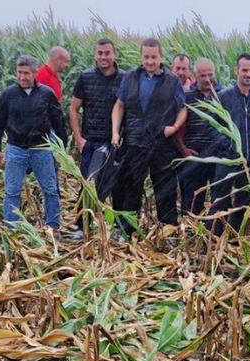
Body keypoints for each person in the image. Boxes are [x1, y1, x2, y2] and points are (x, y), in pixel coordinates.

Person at [110, 38, 188, 235]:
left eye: (154, 57)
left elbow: (182, 109)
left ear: (161, 57)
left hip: (162, 143)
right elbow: (119, 106)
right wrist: (115, 132)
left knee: (165, 189)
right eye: (146, 57)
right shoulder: (130, 78)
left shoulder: (171, 81)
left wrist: (174, 127)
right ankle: (126, 230)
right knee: (131, 186)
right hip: (135, 141)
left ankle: (168, 231)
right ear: (141, 57)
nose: (150, 61)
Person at [0, 54, 68, 228]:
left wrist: (63, 148)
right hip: (16, 149)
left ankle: (53, 228)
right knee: (12, 191)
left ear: (34, 73)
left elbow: (58, 121)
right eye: (19, 72)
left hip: (42, 150)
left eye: (26, 73)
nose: (22, 77)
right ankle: (12, 228)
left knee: (51, 190)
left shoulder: (47, 94)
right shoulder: (9, 94)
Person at [209, 53, 250, 236]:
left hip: (248, 162)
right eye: (244, 70)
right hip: (226, 160)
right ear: (237, 71)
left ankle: (235, 240)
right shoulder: (223, 97)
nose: (248, 74)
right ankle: (213, 240)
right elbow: (212, 126)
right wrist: (230, 147)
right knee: (220, 201)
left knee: (244, 202)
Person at [175, 57, 221, 215]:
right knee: (192, 198)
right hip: (195, 155)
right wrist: (183, 150)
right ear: (195, 75)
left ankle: (214, 233)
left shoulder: (222, 95)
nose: (207, 79)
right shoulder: (186, 96)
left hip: (218, 156)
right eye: (203, 76)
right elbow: (178, 126)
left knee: (219, 198)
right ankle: (190, 231)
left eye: (210, 75)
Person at [70, 38, 122, 178]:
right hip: (92, 142)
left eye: (107, 53)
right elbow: (74, 108)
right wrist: (79, 139)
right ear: (95, 55)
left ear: (114, 54)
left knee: (117, 189)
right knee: (89, 191)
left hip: (116, 144)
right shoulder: (85, 77)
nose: (103, 57)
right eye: (100, 53)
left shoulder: (125, 78)